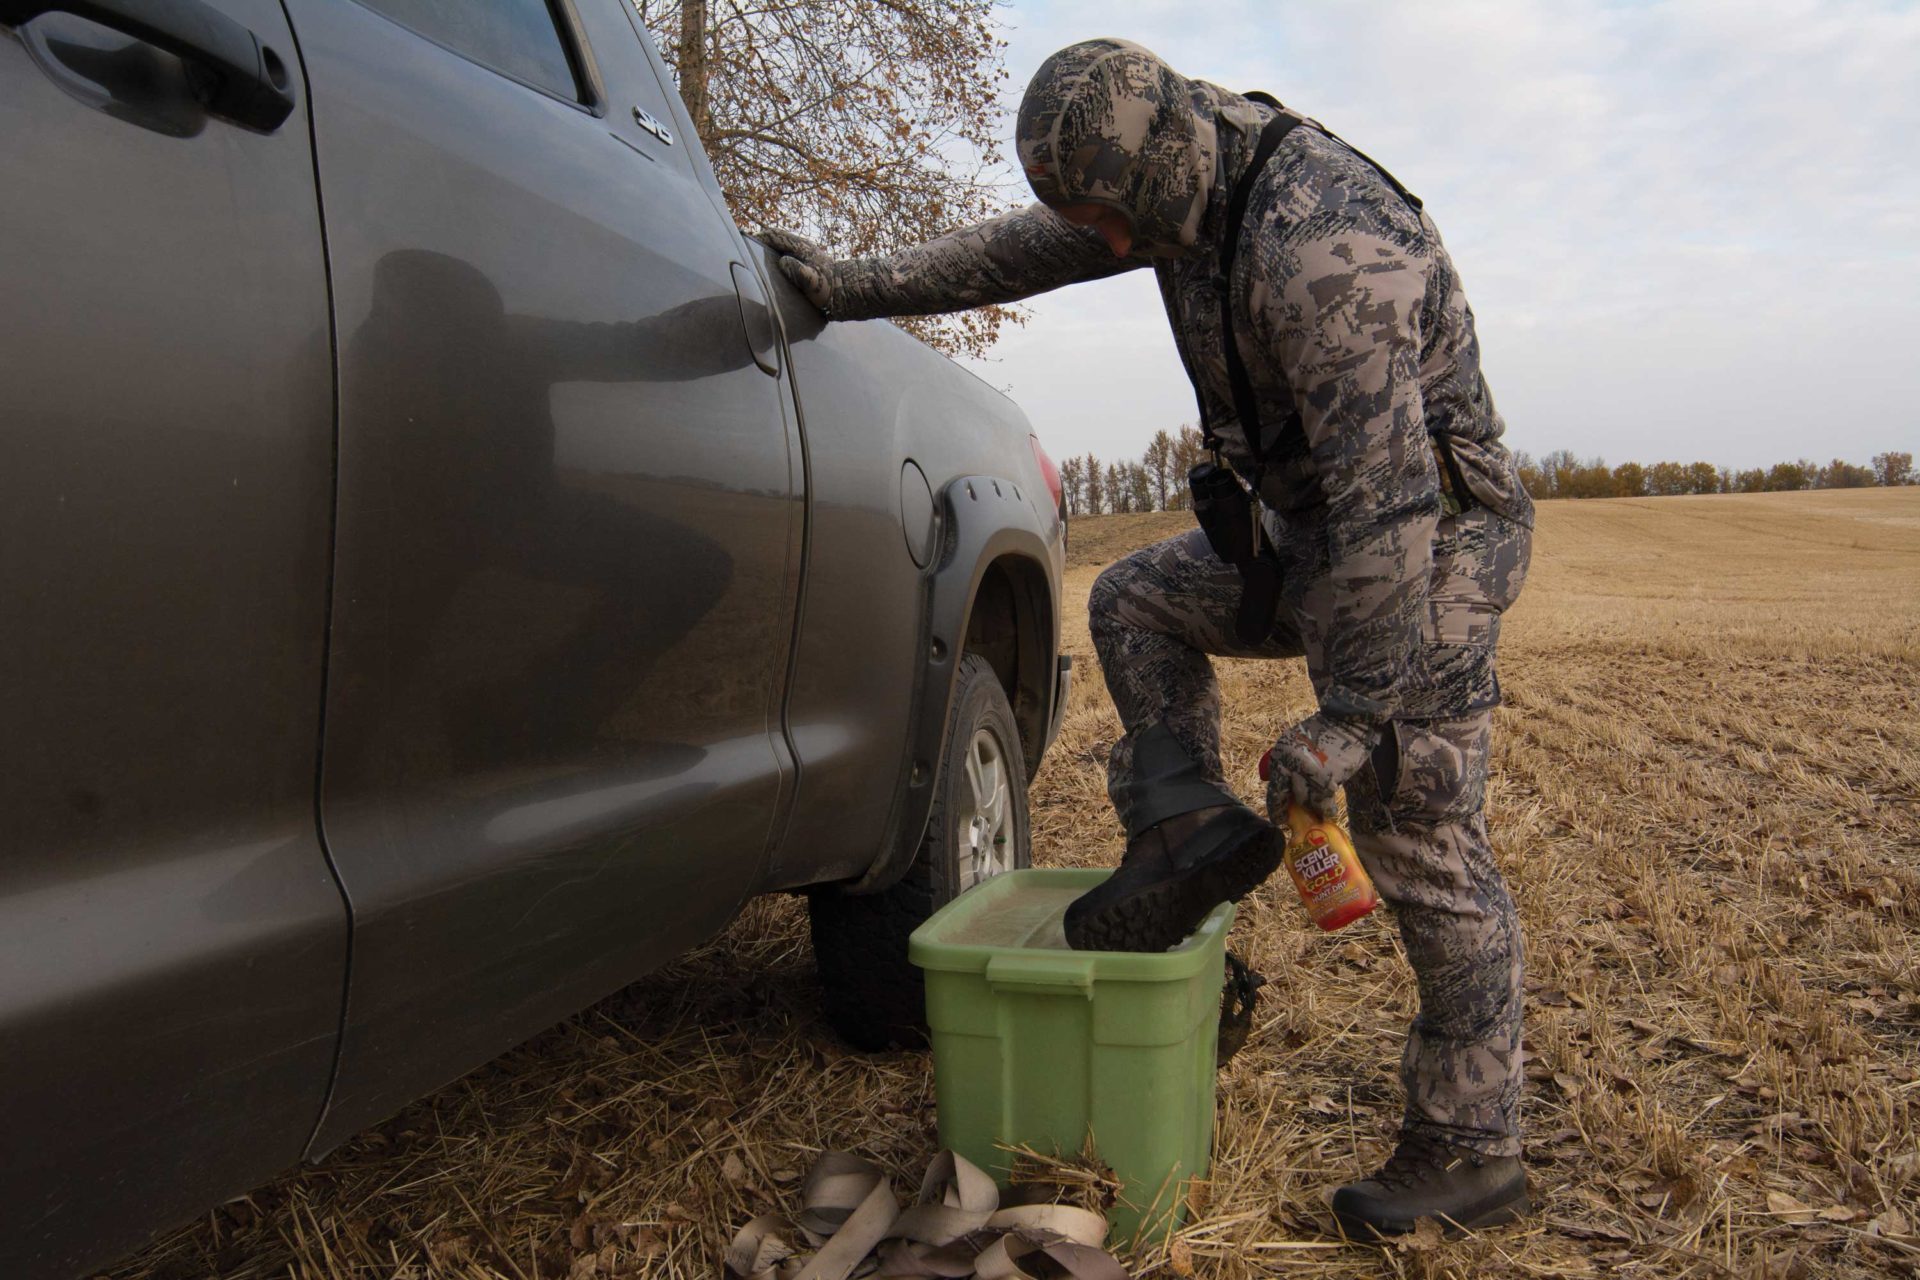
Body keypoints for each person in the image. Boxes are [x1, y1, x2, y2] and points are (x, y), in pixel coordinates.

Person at [763, 38, 1534, 1239]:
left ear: (1164, 168)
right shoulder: (1169, 175)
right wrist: (853, 286)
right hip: (1313, 531)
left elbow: (1392, 508)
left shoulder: (1327, 254)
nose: (1111, 246)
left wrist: (1349, 722)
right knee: (1135, 602)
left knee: (1414, 821)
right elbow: (1021, 250)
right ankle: (1183, 827)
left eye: (1115, 223)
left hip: (1434, 545)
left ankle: (1474, 1140)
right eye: (1094, 223)